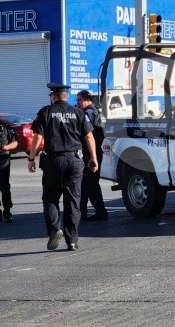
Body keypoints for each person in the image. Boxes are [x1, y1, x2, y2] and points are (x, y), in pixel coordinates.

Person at [28, 83, 98, 252]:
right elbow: (89, 136)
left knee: (51, 198)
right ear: (66, 97)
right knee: (73, 200)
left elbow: (37, 137)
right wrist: (94, 158)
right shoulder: (79, 112)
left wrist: (31, 158)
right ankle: (72, 241)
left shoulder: (46, 111)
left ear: (53, 97)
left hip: (53, 160)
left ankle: (54, 230)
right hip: (75, 160)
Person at [76, 90, 108, 221]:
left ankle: (81, 213)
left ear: (87, 99)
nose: (77, 103)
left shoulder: (88, 113)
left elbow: (87, 134)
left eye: (79, 100)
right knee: (92, 185)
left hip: (90, 153)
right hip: (95, 151)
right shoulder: (95, 111)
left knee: (84, 184)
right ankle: (100, 211)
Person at [0, 123, 18, 223]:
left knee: (5, 187)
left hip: (3, 161)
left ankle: (7, 212)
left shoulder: (5, 128)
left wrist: (5, 148)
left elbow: (15, 143)